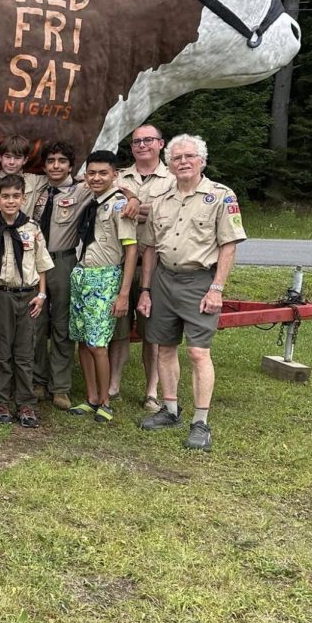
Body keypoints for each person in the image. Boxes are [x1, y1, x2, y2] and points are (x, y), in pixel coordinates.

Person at [137, 134, 246, 452]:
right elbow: (150, 249)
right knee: (164, 347)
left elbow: (229, 245)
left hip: (200, 282)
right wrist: (145, 290)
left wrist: (217, 288)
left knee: (199, 353)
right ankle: (170, 410)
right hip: (163, 280)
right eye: (176, 157)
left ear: (202, 161)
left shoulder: (221, 196)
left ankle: (201, 422)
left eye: (189, 156)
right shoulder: (161, 201)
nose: (183, 162)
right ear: (168, 164)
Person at [0, 174, 53, 427]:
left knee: (24, 352)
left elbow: (41, 265)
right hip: (0, 295)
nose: (10, 201)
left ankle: (26, 404)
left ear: (23, 198)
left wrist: (41, 295)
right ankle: (0, 402)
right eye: (5, 196)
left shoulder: (32, 229)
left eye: (15, 196)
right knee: (0, 351)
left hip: (28, 296)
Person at [66, 150, 137, 422]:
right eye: (92, 173)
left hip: (105, 278)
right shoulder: (92, 200)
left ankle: (105, 400)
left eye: (103, 173)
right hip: (82, 275)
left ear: (114, 175)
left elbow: (131, 251)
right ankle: (91, 397)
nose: (96, 178)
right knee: (83, 341)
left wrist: (124, 294)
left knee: (98, 344)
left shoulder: (120, 206)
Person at [111, 123, 175, 410]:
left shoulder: (174, 179)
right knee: (119, 329)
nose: (141, 145)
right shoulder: (119, 178)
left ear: (161, 144)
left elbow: (175, 215)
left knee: (153, 333)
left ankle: (152, 391)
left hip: (157, 265)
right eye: (136, 141)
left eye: (148, 140)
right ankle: (113, 384)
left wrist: (141, 209)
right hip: (121, 262)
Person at [30, 140, 91, 411]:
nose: (56, 166)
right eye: (51, 161)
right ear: (44, 165)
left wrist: (133, 198)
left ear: (70, 165)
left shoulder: (81, 189)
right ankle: (38, 380)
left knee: (62, 326)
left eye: (62, 161)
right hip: (33, 264)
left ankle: (61, 387)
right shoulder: (36, 187)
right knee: (36, 323)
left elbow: (114, 187)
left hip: (62, 261)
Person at [0, 134, 47, 201]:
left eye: (17, 158)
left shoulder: (34, 182)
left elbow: (60, 179)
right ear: (0, 157)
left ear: (25, 160)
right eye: (8, 157)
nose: (12, 162)